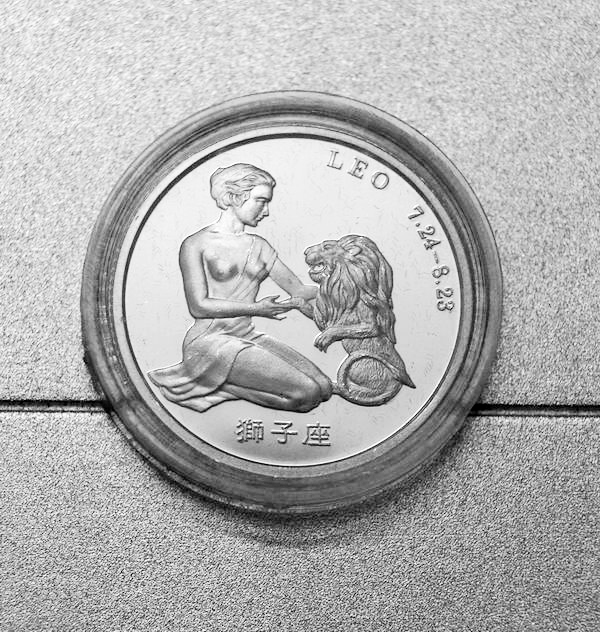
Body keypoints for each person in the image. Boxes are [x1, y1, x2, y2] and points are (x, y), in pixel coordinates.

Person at [148, 163, 332, 413]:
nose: (266, 211)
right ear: (235, 197)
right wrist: (257, 309)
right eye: (261, 201)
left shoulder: (259, 245)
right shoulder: (196, 244)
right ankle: (220, 386)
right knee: (307, 393)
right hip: (210, 342)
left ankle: (219, 385)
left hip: (246, 336)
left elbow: (298, 290)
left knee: (323, 388)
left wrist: (349, 290)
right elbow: (198, 306)